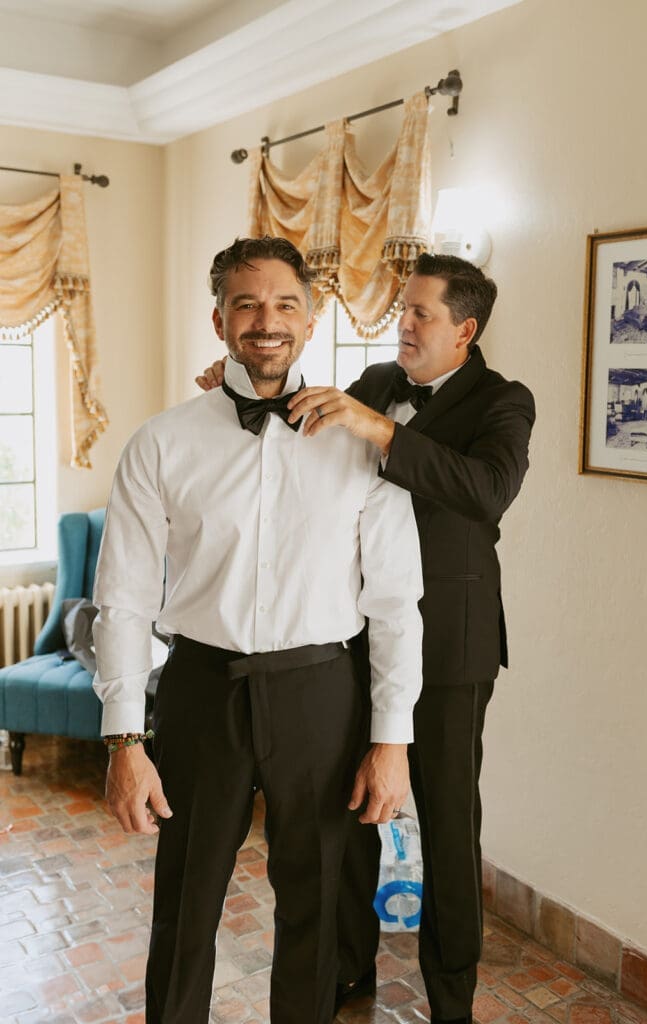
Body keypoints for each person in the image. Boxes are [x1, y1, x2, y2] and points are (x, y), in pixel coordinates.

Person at [92, 235, 424, 1024]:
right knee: (185, 902)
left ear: (311, 322)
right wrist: (123, 742)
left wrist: (392, 739)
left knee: (314, 907)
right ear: (218, 321)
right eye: (245, 304)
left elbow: (395, 605)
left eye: (283, 305)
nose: (264, 321)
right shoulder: (162, 441)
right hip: (202, 689)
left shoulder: (365, 444)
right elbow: (124, 599)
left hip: (322, 693)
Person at [196, 252, 536, 1024]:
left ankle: (451, 997)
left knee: (448, 823)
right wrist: (233, 389)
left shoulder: (502, 401)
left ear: (465, 329)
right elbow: (303, 437)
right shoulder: (377, 382)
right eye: (402, 309)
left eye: (420, 314)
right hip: (356, 641)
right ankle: (347, 969)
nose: (402, 324)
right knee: (345, 822)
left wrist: (379, 429)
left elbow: (486, 493)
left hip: (450, 650)